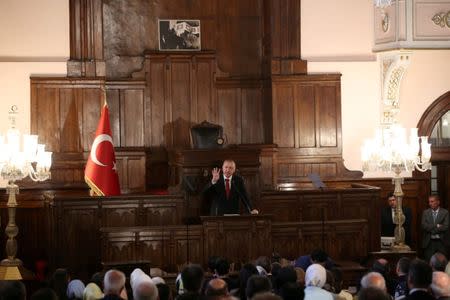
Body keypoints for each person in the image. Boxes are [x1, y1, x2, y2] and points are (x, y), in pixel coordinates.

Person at [421, 195, 449, 262]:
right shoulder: (425, 213)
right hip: (429, 242)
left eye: (432, 201)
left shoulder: (445, 212)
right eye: (429, 202)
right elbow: (424, 226)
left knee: (442, 263)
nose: (430, 203)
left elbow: (445, 226)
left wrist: (432, 229)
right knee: (429, 262)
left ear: (438, 202)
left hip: (441, 242)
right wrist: (437, 226)